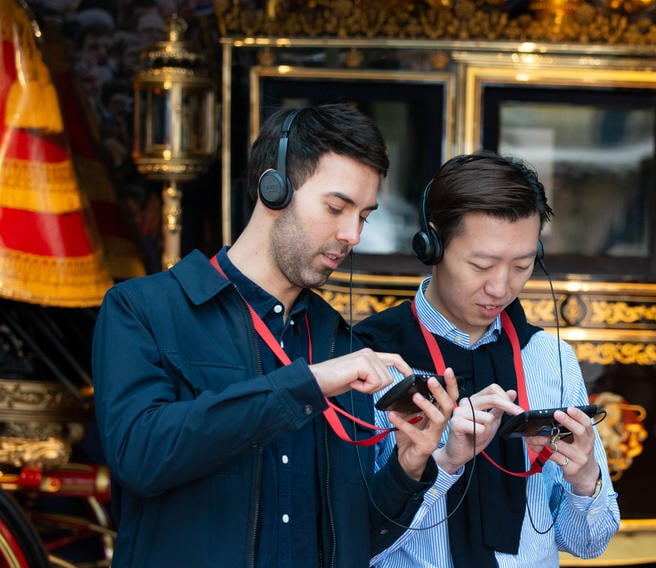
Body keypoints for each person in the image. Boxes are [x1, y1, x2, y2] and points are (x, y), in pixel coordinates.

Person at [91, 104, 458, 567]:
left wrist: (408, 465)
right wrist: (307, 384)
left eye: (363, 215)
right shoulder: (142, 309)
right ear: (274, 188)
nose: (352, 234)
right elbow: (140, 456)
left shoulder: (339, 342)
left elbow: (357, 539)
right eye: (335, 207)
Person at [356, 151, 620, 567]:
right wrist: (442, 462)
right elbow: (353, 543)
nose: (501, 287)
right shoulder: (370, 359)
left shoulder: (549, 359)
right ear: (433, 243)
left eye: (522, 265)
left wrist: (585, 478)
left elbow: (589, 544)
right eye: (481, 265)